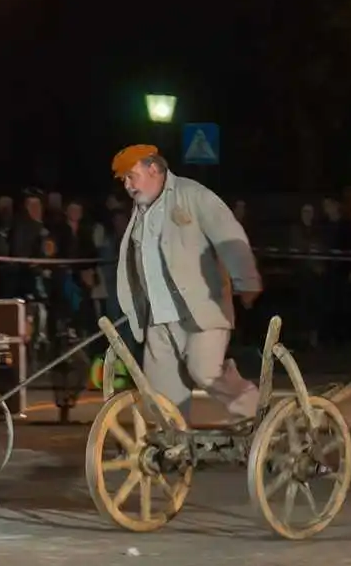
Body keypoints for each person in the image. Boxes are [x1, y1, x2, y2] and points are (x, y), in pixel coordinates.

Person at [111, 144, 263, 422]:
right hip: (159, 318)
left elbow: (228, 235)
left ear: (153, 169)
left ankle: (253, 410)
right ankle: (171, 443)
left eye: (131, 176)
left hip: (201, 308)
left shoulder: (193, 195)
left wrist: (246, 280)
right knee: (161, 395)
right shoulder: (140, 211)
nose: (128, 186)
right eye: (124, 180)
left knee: (205, 371)